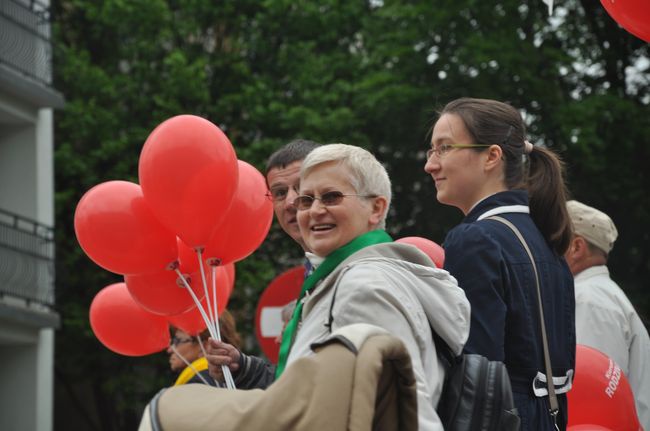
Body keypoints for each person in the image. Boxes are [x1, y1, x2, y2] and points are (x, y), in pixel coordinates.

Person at [275, 143, 470, 430]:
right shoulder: (352, 279)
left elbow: (409, 417)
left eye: (331, 197)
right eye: (306, 200)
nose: (315, 210)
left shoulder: (363, 287)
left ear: (376, 208)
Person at [424, 97, 576, 430]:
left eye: (444, 148)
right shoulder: (544, 235)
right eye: (431, 151)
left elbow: (475, 376)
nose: (430, 165)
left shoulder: (475, 239)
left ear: (492, 156)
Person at [206, 139, 320, 389]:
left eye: (301, 187)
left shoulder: (363, 267)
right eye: (279, 192)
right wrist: (242, 367)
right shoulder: (314, 271)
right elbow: (301, 385)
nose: (290, 201)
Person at [565, 199, 650, 428]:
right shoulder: (598, 295)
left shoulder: (589, 301)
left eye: (550, 241)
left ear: (576, 248)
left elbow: (593, 399)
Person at [168, 310, 241, 387]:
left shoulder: (199, 383)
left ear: (206, 347)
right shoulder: (234, 380)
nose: (170, 349)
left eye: (178, 341)